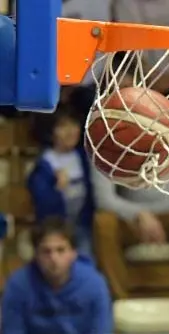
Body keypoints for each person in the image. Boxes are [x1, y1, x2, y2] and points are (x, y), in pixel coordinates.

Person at [1, 217, 112, 334]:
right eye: (46, 251)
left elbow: (101, 329)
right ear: (36, 255)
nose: (54, 258)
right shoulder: (17, 286)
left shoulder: (94, 284)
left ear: (73, 253)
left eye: (61, 250)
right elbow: (12, 329)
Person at [28, 104, 95, 261]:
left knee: (86, 261)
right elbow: (43, 208)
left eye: (73, 124)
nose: (71, 131)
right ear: (51, 132)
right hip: (54, 231)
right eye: (63, 126)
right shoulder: (44, 165)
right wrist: (58, 188)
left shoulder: (86, 157)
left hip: (84, 226)